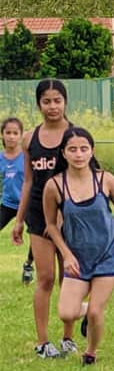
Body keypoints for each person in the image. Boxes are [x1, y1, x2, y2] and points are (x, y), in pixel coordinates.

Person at [42, 127, 114, 366]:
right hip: (77, 256)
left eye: (83, 149)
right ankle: (87, 309)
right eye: (72, 149)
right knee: (67, 313)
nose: (78, 154)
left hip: (109, 252)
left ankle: (90, 353)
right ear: (63, 153)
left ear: (91, 151)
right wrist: (66, 255)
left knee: (97, 311)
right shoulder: (54, 185)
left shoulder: (105, 179)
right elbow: (51, 226)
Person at [10, 79, 77, 358]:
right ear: (39, 104)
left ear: (65, 102)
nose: (52, 106)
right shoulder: (29, 139)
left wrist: (65, 211)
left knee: (69, 277)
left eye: (57, 100)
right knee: (46, 277)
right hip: (39, 214)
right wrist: (19, 219)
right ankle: (42, 342)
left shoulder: (75, 136)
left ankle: (68, 338)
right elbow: (28, 181)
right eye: (47, 101)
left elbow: (83, 176)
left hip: (69, 214)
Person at [1, 116, 33, 283]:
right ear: (2, 135)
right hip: (7, 204)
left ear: (21, 135)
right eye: (8, 132)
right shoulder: (1, 158)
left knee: (37, 236)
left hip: (27, 205)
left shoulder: (27, 156)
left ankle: (28, 265)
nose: (11, 136)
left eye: (15, 133)